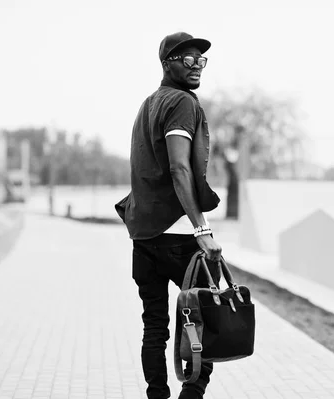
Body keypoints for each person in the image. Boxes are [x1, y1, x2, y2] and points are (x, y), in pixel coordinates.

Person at [115, 32, 222, 399]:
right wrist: (202, 228)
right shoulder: (181, 103)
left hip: (143, 236)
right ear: (166, 64)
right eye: (186, 59)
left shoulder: (147, 104)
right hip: (178, 236)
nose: (196, 66)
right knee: (208, 316)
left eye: (200, 60)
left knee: (155, 327)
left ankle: (157, 395)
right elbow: (179, 169)